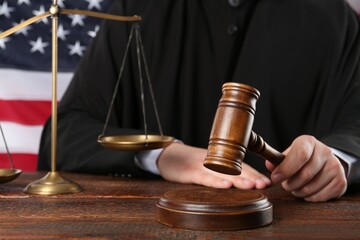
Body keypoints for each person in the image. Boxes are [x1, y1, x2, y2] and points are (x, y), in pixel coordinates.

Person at [38, 0, 360, 202]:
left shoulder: (332, 18)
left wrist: (337, 158)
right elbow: (65, 132)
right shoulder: (136, 10)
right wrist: (165, 155)